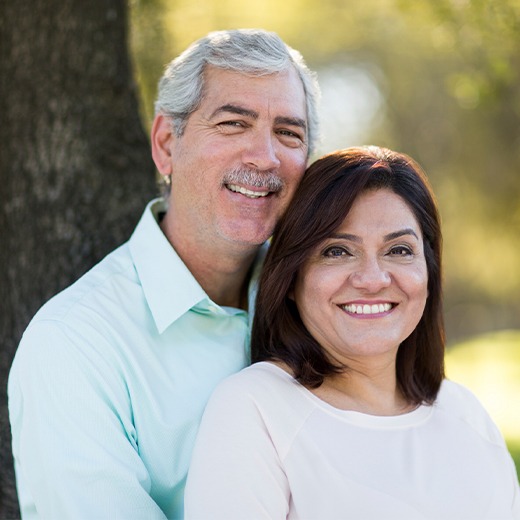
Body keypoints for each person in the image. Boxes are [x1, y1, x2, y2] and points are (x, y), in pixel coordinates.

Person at [8, 29, 320, 519]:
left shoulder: (322, 307)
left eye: (289, 133)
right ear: (166, 144)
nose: (265, 156)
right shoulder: (73, 346)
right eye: (234, 123)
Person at [184, 146, 520, 519]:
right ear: (291, 279)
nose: (373, 280)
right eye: (337, 251)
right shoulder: (256, 409)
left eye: (399, 249)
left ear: (429, 271)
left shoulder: (464, 413)